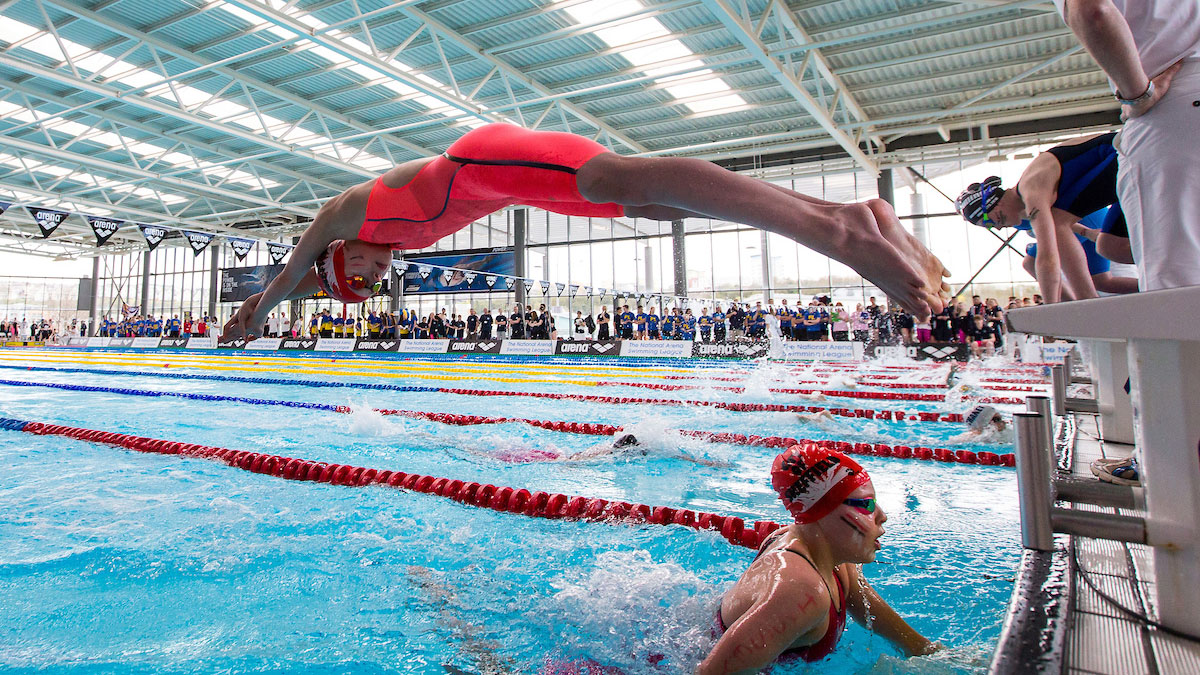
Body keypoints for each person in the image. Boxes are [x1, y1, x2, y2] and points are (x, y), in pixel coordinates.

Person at [220, 124, 949, 340]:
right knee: (654, 206)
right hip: (513, 189)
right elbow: (314, 281)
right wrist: (287, 304)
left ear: (344, 252)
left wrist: (257, 310)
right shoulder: (387, 247)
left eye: (367, 274)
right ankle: (849, 215)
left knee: (619, 180)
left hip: (484, 158)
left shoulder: (345, 213)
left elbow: (293, 270)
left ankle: (834, 233)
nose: (385, 273)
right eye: (377, 285)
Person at [699, 445, 938, 672]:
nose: (882, 516)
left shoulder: (833, 560)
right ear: (824, 512)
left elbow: (887, 625)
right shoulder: (801, 591)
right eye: (867, 505)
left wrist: (938, 656)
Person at [1055, 0, 1199, 291]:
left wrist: (1138, 94)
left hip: (1174, 104)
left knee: (1176, 293)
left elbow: (1092, 11)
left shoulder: (1033, 189)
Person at [954, 133, 1128, 303]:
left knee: (1051, 238)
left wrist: (1050, 309)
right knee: (1108, 251)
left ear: (992, 203)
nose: (997, 227)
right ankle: (1100, 298)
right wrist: (1087, 233)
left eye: (989, 222)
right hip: (1119, 156)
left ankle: (1086, 302)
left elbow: (1047, 256)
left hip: (1121, 153)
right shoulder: (1025, 204)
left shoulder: (1032, 194)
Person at [1021, 207, 1138, 298]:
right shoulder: (1013, 207)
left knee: (1030, 262)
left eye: (1001, 221)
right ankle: (1149, 285)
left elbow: (1055, 219)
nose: (1001, 227)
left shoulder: (1024, 199)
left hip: (1085, 216)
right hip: (1079, 220)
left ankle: (1066, 308)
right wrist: (1086, 232)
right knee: (1101, 282)